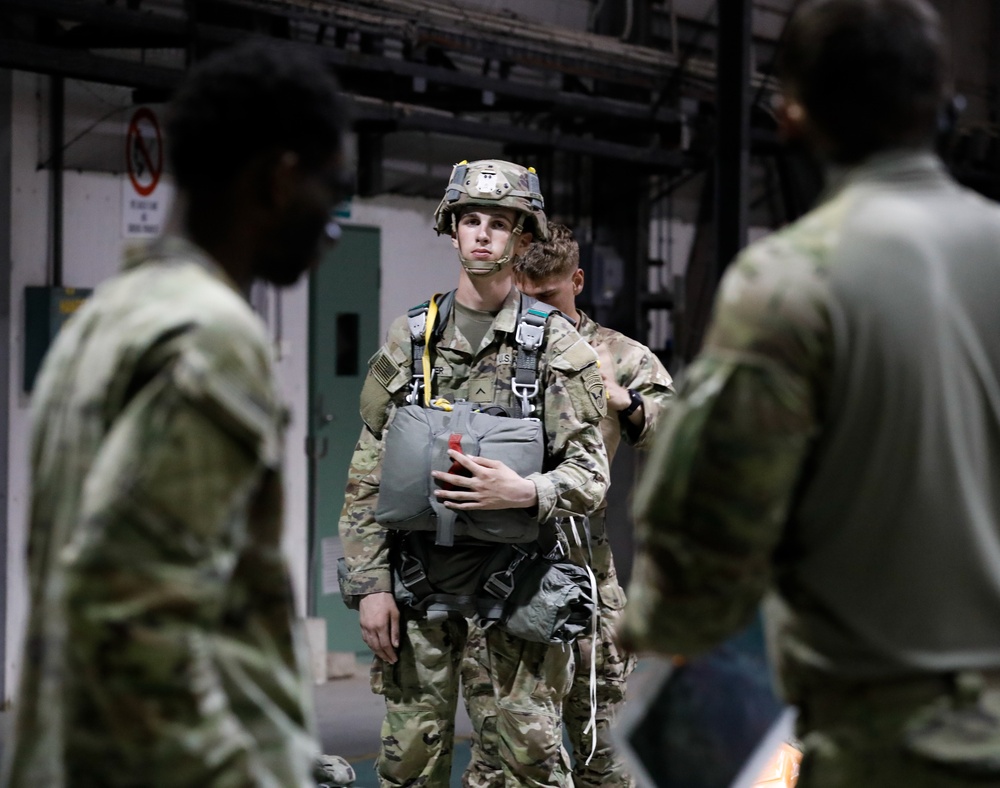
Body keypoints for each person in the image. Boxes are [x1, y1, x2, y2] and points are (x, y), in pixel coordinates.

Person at [619, 0, 1000, 785]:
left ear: (792, 117)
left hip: (890, 745)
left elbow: (707, 538)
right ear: (944, 106)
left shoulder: (791, 283)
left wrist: (659, 632)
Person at [2, 42, 354, 787]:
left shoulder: (107, 318)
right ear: (279, 178)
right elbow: (125, 621)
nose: (334, 222)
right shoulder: (211, 337)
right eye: (334, 187)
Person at [338, 161, 610, 786]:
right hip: (418, 586)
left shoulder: (556, 348)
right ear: (453, 231)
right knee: (409, 767)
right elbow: (366, 470)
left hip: (515, 592)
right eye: (471, 221)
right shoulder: (411, 339)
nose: (482, 234)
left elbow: (591, 473)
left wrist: (527, 489)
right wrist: (371, 585)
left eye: (499, 224)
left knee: (530, 769)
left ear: (521, 239)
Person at [461, 223, 674, 787]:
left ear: (577, 282)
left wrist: (621, 399)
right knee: (504, 756)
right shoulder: (491, 352)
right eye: (525, 298)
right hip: (498, 573)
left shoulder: (618, 354)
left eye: (551, 297)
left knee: (603, 750)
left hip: (585, 570)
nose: (539, 313)